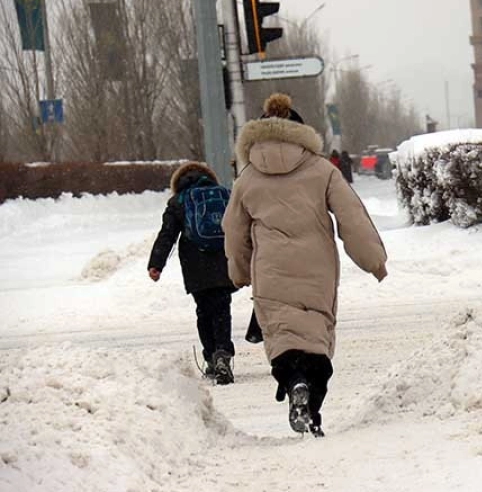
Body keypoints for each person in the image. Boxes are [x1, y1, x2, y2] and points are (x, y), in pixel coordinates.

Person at [223, 93, 388, 436]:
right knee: (316, 340)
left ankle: (294, 381)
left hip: (270, 271)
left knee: (282, 339)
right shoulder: (321, 170)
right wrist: (374, 261)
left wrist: (238, 272)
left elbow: (234, 231)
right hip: (317, 269)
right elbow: (352, 217)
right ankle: (311, 407)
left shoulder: (247, 178)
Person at [148, 162, 236, 385]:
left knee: (204, 310)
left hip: (195, 264)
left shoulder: (179, 201)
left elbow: (167, 234)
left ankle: (211, 357)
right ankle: (223, 354)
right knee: (222, 308)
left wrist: (156, 263)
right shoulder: (224, 194)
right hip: (223, 259)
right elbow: (240, 227)